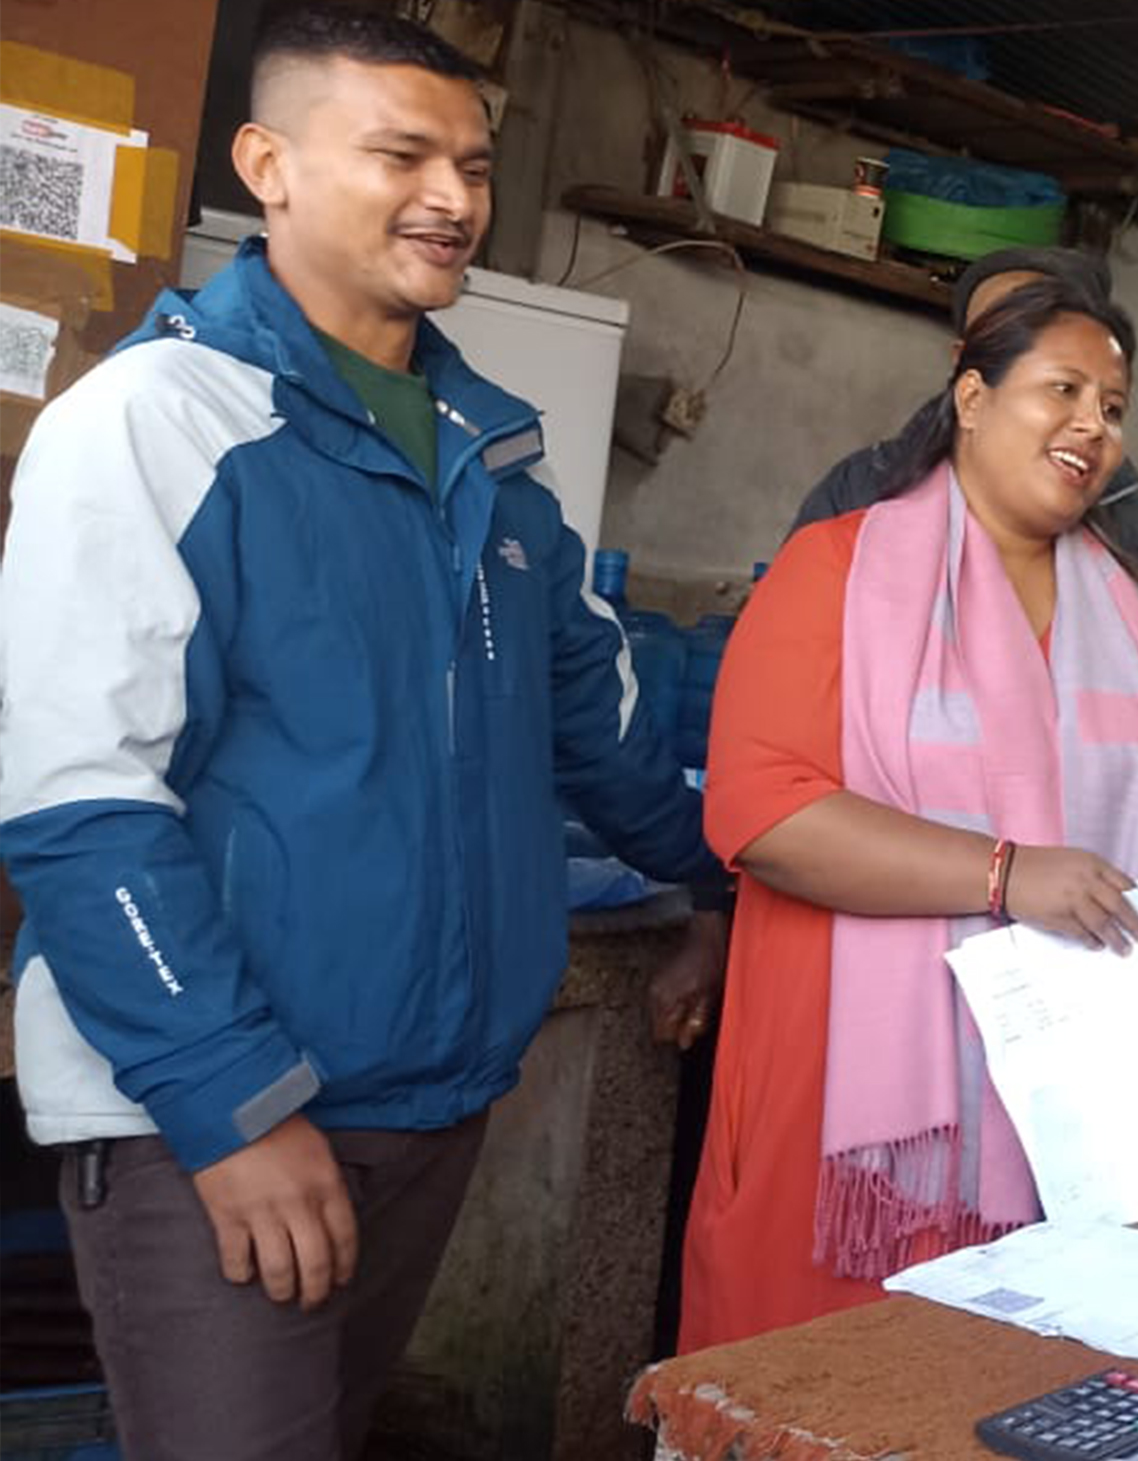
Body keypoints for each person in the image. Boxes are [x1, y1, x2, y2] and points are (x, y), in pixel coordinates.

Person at [0, 10, 731, 1458]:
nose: (453, 198)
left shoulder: (489, 458)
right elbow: (85, 803)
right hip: (208, 1114)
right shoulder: (157, 422)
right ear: (267, 163)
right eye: (401, 154)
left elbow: (597, 719)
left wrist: (715, 883)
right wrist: (232, 1104)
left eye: (471, 161)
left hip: (427, 1105)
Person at [678, 278, 1138, 1351]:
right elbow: (761, 809)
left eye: (1113, 408)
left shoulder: (1130, 609)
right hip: (852, 1095)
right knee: (824, 1371)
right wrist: (1006, 874)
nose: (1092, 426)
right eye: (1062, 390)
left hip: (1073, 1097)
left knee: (1017, 1381)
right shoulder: (836, 569)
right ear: (971, 399)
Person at [787, 245, 1138, 650]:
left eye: (1111, 407)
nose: (1090, 425)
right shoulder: (861, 494)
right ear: (967, 379)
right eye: (996, 341)